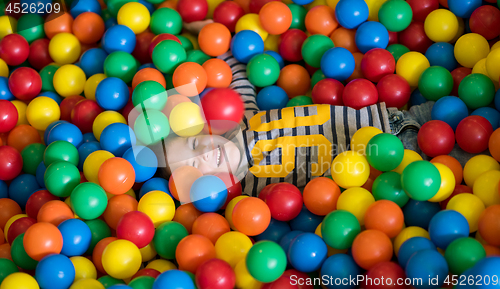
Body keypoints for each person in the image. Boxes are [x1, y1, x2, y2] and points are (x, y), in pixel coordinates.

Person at [151, 21, 478, 197]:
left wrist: (212, 39)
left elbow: (239, 83)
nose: (204, 156)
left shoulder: (243, 122)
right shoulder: (252, 192)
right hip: (398, 169)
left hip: (405, 116)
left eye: (194, 145)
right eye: (194, 168)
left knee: (479, 123)